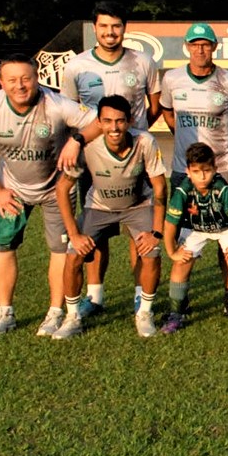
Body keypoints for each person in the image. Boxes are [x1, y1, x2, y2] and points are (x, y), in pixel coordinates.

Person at [0, 55, 99, 336]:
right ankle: (5, 312)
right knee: (3, 245)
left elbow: (97, 122)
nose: (20, 85)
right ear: (1, 82)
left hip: (57, 190)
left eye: (26, 78)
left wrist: (76, 141)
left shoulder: (57, 105)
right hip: (13, 190)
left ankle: (54, 313)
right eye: (13, 80)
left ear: (37, 77)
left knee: (59, 249)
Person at [61, 1, 162, 318]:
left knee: (139, 229)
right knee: (95, 230)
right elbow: (70, 111)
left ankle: (138, 295)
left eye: (116, 26)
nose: (110, 32)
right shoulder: (77, 66)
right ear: (95, 28)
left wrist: (135, 136)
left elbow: (154, 105)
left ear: (124, 28)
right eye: (104, 26)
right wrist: (84, 142)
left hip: (135, 156)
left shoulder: (143, 61)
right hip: (93, 157)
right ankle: (95, 295)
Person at [51, 95, 167, 339]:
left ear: (130, 121)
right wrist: (74, 234)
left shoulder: (145, 141)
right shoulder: (87, 147)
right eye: (107, 121)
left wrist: (157, 231)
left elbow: (159, 187)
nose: (114, 128)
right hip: (99, 207)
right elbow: (62, 189)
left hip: (138, 205)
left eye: (120, 121)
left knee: (151, 252)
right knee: (73, 255)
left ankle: (144, 312)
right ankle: (73, 317)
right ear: (99, 123)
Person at [160, 22, 228, 318]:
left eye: (206, 44)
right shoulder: (172, 79)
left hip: (222, 168)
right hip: (183, 170)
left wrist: (223, 148)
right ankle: (180, 303)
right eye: (195, 44)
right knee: (188, 236)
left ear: (214, 47)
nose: (200, 49)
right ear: (187, 46)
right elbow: (168, 113)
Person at [159, 143, 228, 335]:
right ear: (188, 171)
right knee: (181, 264)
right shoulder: (183, 191)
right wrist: (172, 251)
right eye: (196, 171)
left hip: (224, 228)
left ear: (215, 169)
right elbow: (169, 224)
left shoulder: (222, 189)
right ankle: (176, 314)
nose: (202, 177)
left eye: (207, 171)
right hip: (195, 228)